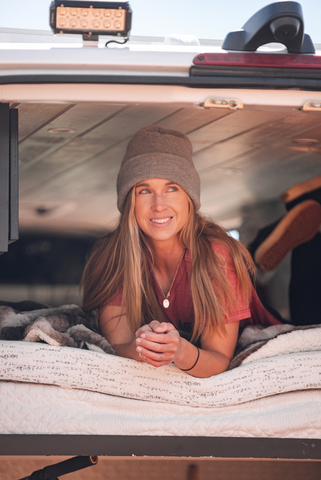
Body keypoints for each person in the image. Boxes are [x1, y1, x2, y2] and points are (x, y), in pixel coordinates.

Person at [81, 126, 285, 379]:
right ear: (128, 201)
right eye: (144, 190)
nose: (158, 205)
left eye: (172, 188)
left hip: (261, 327)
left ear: (189, 197)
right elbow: (117, 346)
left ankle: (289, 216)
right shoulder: (113, 255)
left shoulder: (216, 255)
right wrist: (144, 346)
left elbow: (219, 360)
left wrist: (180, 351)